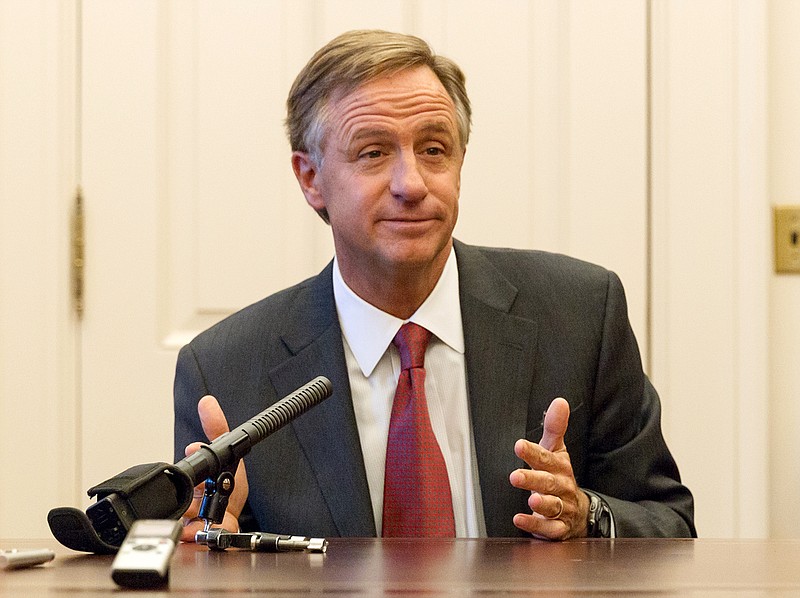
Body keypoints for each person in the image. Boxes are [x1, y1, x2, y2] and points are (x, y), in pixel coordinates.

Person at [174, 29, 696, 541]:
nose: (412, 185)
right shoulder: (226, 371)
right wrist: (216, 557)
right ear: (310, 178)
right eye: (373, 153)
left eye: (433, 149)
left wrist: (586, 515)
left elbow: (669, 523)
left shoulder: (581, 315)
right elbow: (213, 537)